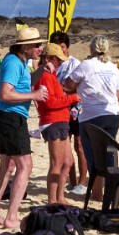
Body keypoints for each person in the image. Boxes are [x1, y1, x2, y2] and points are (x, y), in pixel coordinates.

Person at [0, 33, 45, 231]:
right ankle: (11, 216)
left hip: (10, 116)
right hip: (10, 117)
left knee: (8, 165)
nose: (40, 48)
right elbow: (5, 93)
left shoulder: (22, 62)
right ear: (24, 47)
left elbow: (23, 83)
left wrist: (42, 70)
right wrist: (34, 95)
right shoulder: (13, 62)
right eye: (37, 45)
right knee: (25, 165)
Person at [67, 35, 119, 189]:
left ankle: (97, 193)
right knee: (110, 153)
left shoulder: (86, 65)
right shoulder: (113, 67)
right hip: (112, 114)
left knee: (94, 156)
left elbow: (67, 85)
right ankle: (112, 191)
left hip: (91, 115)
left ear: (91, 49)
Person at [35, 40, 78, 206]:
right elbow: (50, 102)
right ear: (48, 59)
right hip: (52, 121)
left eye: (60, 61)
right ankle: (52, 200)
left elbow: (55, 99)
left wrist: (68, 98)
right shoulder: (44, 76)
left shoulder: (50, 75)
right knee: (57, 163)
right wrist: (72, 98)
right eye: (57, 60)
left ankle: (59, 197)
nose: (60, 63)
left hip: (61, 120)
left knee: (67, 162)